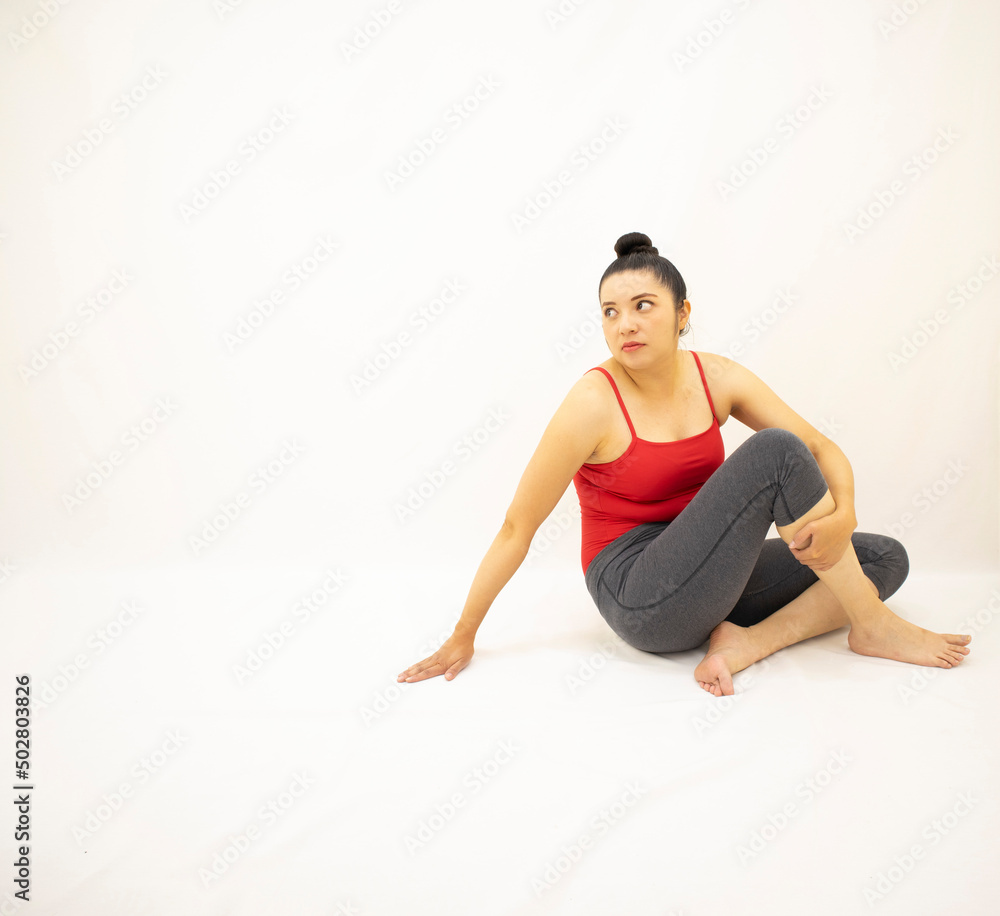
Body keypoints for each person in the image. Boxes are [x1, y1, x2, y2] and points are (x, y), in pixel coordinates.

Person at [397, 232, 972, 696]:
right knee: (775, 453)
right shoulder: (592, 402)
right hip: (639, 595)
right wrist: (462, 635)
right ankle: (872, 624)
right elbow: (516, 528)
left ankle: (748, 643)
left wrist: (844, 516)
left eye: (643, 306)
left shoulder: (715, 377)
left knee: (881, 558)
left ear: (682, 313)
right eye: (610, 312)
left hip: (709, 573)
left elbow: (820, 446)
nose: (625, 324)